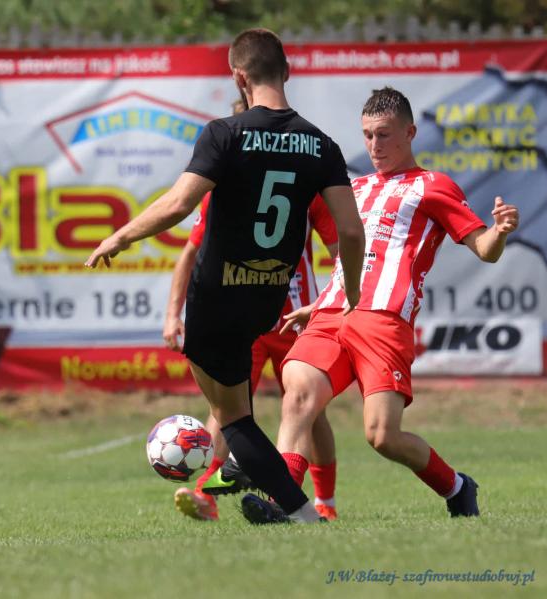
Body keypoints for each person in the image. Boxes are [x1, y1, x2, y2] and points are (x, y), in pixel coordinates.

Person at [86, 28, 365, 525]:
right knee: (239, 415)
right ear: (287, 72)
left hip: (216, 295)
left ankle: (273, 497)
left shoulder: (225, 133)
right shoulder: (321, 145)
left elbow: (179, 204)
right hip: (269, 298)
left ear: (239, 77)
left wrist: (121, 237)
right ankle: (284, 500)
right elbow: (349, 229)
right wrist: (353, 290)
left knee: (233, 417)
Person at [275, 87, 519, 519]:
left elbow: (484, 249)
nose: (374, 145)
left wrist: (498, 232)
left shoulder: (433, 186)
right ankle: (286, 504)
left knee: (382, 436)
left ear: (409, 133)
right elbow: (352, 259)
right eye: (368, 135)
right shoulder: (355, 188)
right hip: (333, 312)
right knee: (297, 393)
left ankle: (458, 486)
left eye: (384, 135)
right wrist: (322, 302)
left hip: (383, 319)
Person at [165, 189, 341, 521]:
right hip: (247, 321)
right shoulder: (224, 188)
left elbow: (342, 256)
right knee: (227, 405)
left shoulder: (308, 188)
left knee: (310, 411)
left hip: (297, 319)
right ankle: (206, 494)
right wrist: (173, 314)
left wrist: (326, 305)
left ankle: (324, 502)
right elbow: (191, 252)